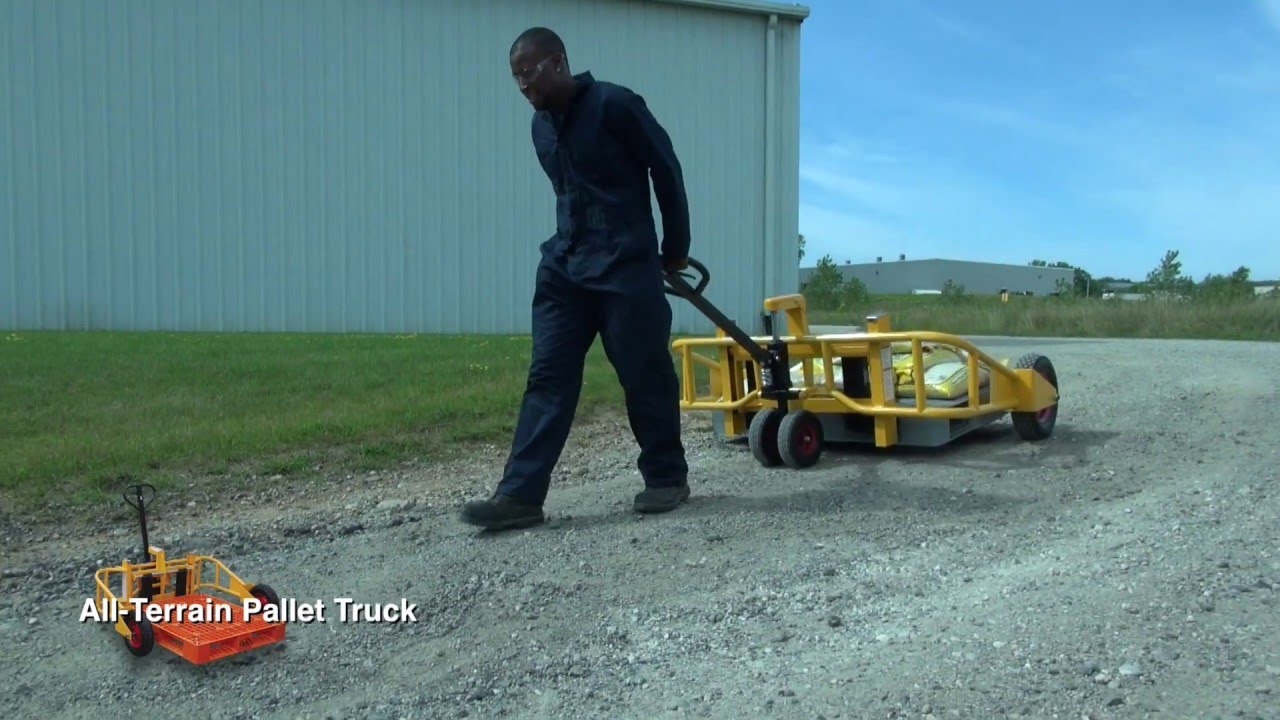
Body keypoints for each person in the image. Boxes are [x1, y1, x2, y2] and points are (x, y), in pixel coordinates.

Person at [460, 27, 692, 531]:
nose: (522, 84)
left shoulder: (615, 104)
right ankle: (519, 497)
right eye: (515, 77)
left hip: (626, 265)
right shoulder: (540, 128)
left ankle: (666, 478)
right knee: (547, 377)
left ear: (558, 62)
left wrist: (675, 248)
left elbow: (665, 168)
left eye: (529, 70)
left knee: (644, 373)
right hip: (565, 268)